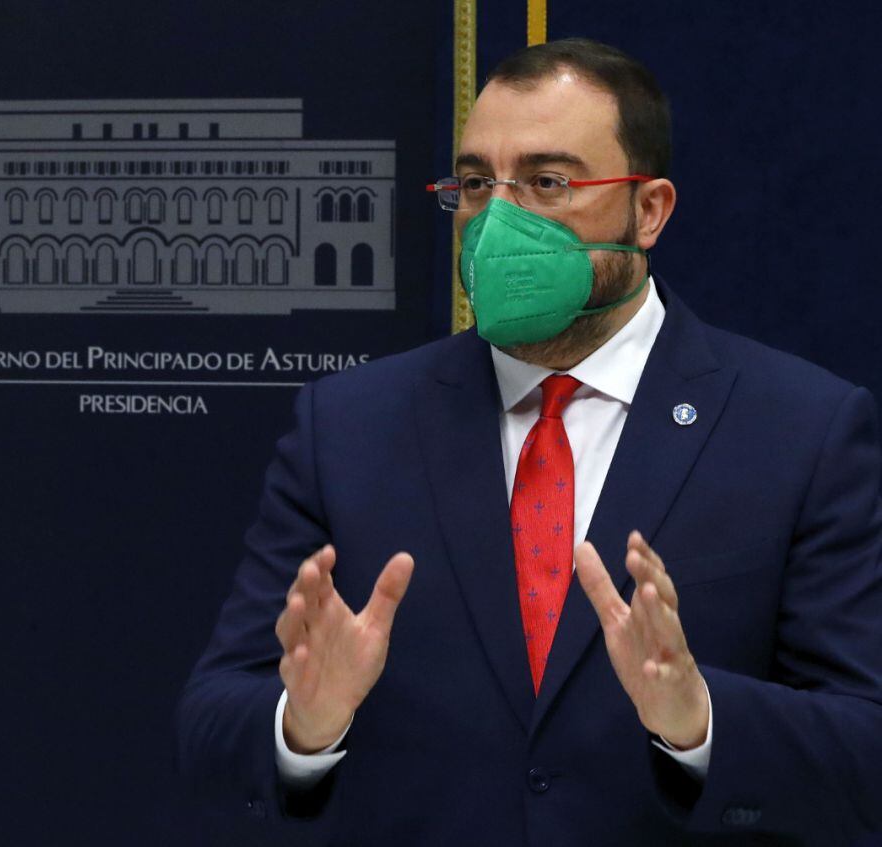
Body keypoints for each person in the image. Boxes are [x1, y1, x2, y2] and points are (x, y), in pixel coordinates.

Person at [176, 38, 882, 846]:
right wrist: (305, 725)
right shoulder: (349, 424)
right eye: (478, 184)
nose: (500, 220)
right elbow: (212, 724)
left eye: (549, 183)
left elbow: (865, 750)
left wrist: (700, 722)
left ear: (648, 210)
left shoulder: (802, 428)